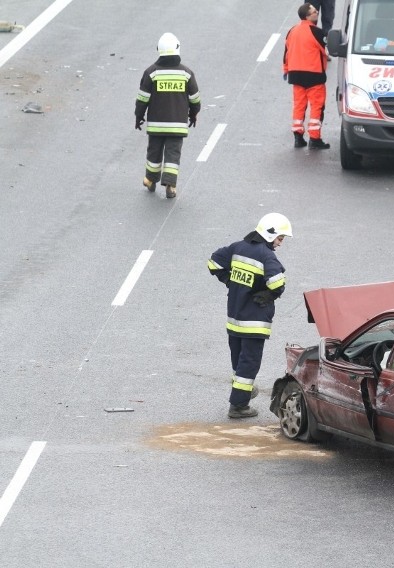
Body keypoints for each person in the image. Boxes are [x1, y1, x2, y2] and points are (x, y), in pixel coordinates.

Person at [208, 213, 293, 419]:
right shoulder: (266, 255)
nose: (280, 244)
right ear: (270, 233)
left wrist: (229, 280)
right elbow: (277, 283)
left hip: (235, 317)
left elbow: (214, 263)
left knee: (239, 361)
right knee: (249, 363)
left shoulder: (237, 248)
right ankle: (239, 405)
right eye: (280, 238)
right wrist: (270, 294)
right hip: (254, 322)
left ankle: (243, 391)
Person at [135, 33, 201, 199]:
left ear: (159, 50)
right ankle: (171, 185)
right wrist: (193, 114)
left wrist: (139, 116)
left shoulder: (151, 73)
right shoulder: (186, 74)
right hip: (177, 125)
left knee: (154, 153)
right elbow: (195, 99)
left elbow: (143, 98)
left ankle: (150, 180)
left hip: (156, 125)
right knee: (173, 155)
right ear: (178, 48)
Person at [283, 4, 330, 150]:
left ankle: (298, 137)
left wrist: (286, 70)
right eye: (314, 12)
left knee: (299, 106)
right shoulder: (316, 32)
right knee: (317, 106)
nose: (317, 12)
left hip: (296, 74)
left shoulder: (292, 31)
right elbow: (325, 51)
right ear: (308, 16)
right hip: (314, 75)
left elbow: (286, 52)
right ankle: (315, 139)